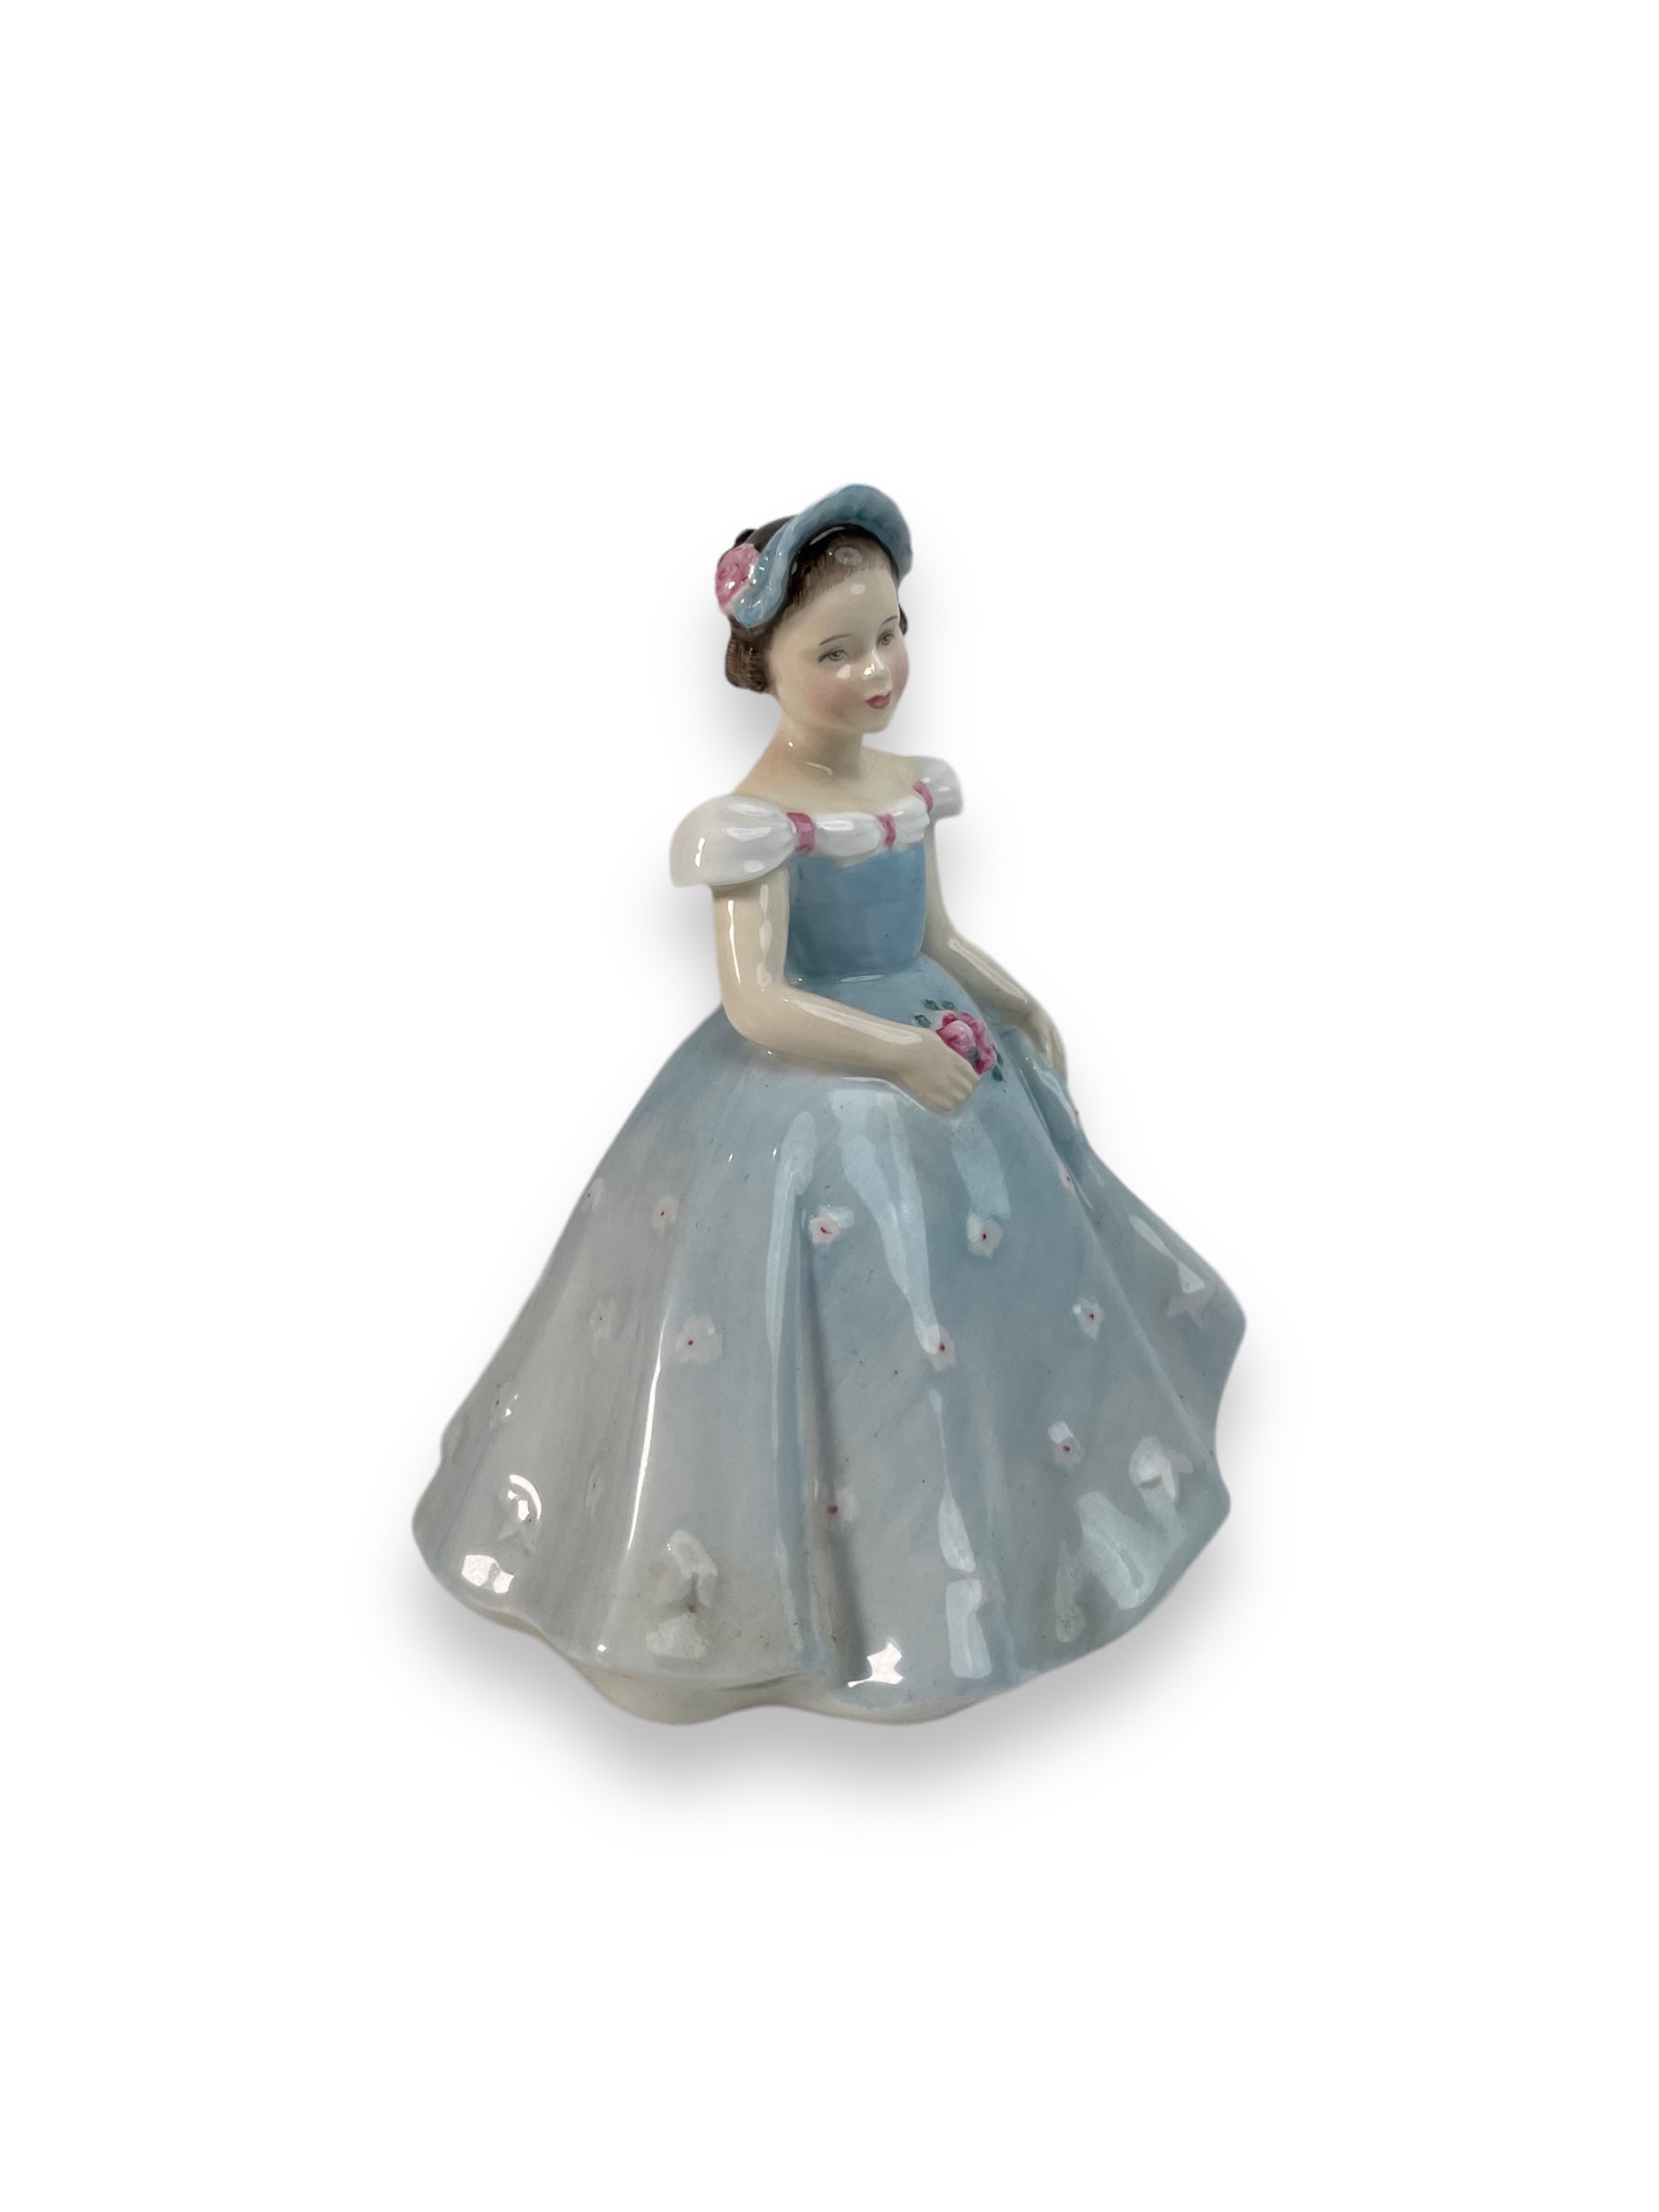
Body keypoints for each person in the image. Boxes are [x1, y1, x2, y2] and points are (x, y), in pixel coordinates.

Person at [413, 484, 1243, 1724]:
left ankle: (1010, 1526)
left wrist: (1013, 1000)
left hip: (941, 1053)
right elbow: (758, 1002)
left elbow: (936, 935)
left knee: (991, 1308)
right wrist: (895, 1057)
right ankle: (808, 1588)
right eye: (837, 651)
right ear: (768, 665)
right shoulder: (753, 826)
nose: (878, 670)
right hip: (812, 1096)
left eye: (891, 633)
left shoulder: (909, 788)